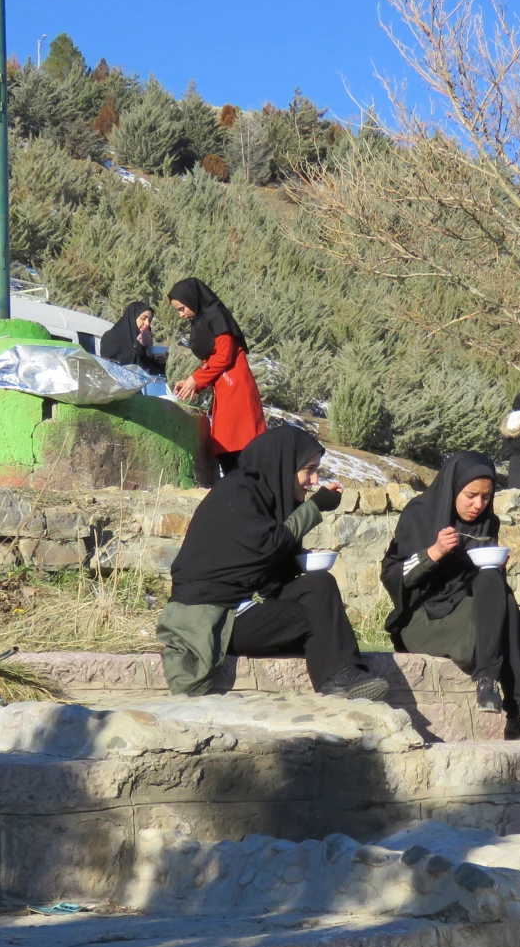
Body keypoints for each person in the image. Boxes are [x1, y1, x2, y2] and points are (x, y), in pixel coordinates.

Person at [158, 424, 389, 700]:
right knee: (318, 617)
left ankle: (341, 675)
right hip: (218, 620)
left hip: (245, 604)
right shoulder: (237, 493)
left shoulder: (265, 495)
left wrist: (298, 559)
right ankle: (339, 676)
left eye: (316, 471)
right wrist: (315, 507)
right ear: (284, 465)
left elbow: (260, 564)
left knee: (320, 584)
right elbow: (267, 547)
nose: (314, 480)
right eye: (309, 470)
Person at [381, 451, 520, 738]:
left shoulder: (487, 522)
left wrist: (495, 568)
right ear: (453, 488)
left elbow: (483, 588)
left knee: (500, 590)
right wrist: (433, 553)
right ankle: (519, 712)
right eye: (471, 495)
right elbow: (392, 576)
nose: (478, 505)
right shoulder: (419, 514)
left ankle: (488, 682)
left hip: (466, 611)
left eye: (486, 497)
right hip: (422, 617)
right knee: (504, 617)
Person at [167, 278, 265, 475]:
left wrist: (196, 379)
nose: (181, 315)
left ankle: (244, 487)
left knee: (238, 445)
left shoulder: (216, 315)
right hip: (225, 387)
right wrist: (193, 382)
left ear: (192, 299)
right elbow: (214, 359)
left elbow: (224, 355)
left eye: (182, 308)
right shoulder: (204, 318)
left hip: (236, 388)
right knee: (226, 446)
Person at [99, 300, 168, 377]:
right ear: (132, 318)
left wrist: (160, 363)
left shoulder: (145, 340)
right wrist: (139, 346)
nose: (147, 323)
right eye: (143, 318)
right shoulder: (111, 337)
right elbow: (115, 367)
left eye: (150, 320)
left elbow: (149, 372)